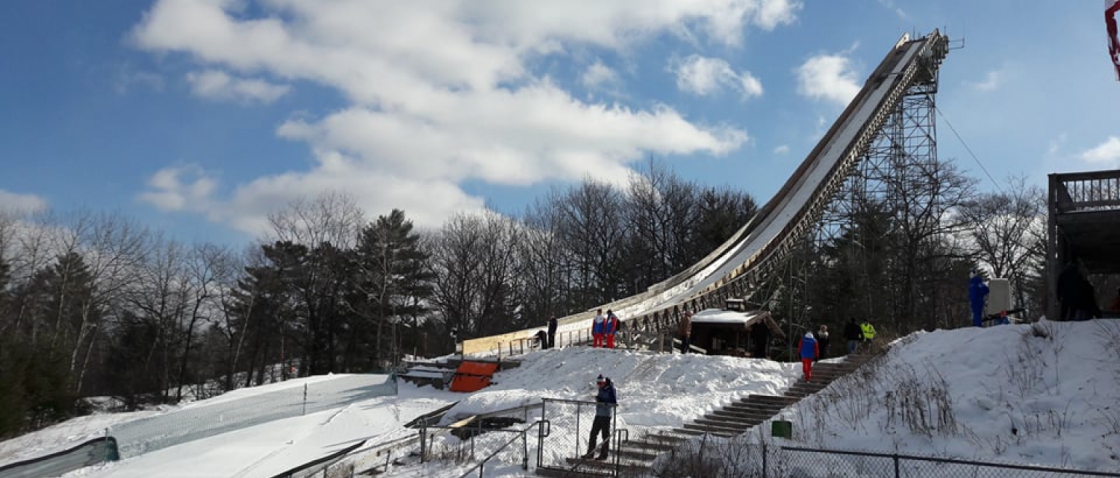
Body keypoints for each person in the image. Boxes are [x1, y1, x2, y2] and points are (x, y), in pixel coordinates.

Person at [583, 374, 617, 460]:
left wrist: (603, 402)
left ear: (604, 382)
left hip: (606, 415)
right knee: (593, 433)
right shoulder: (601, 389)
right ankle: (590, 453)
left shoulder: (611, 390)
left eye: (600, 383)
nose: (599, 385)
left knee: (605, 435)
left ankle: (604, 455)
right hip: (598, 414)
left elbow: (613, 402)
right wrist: (598, 399)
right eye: (598, 383)